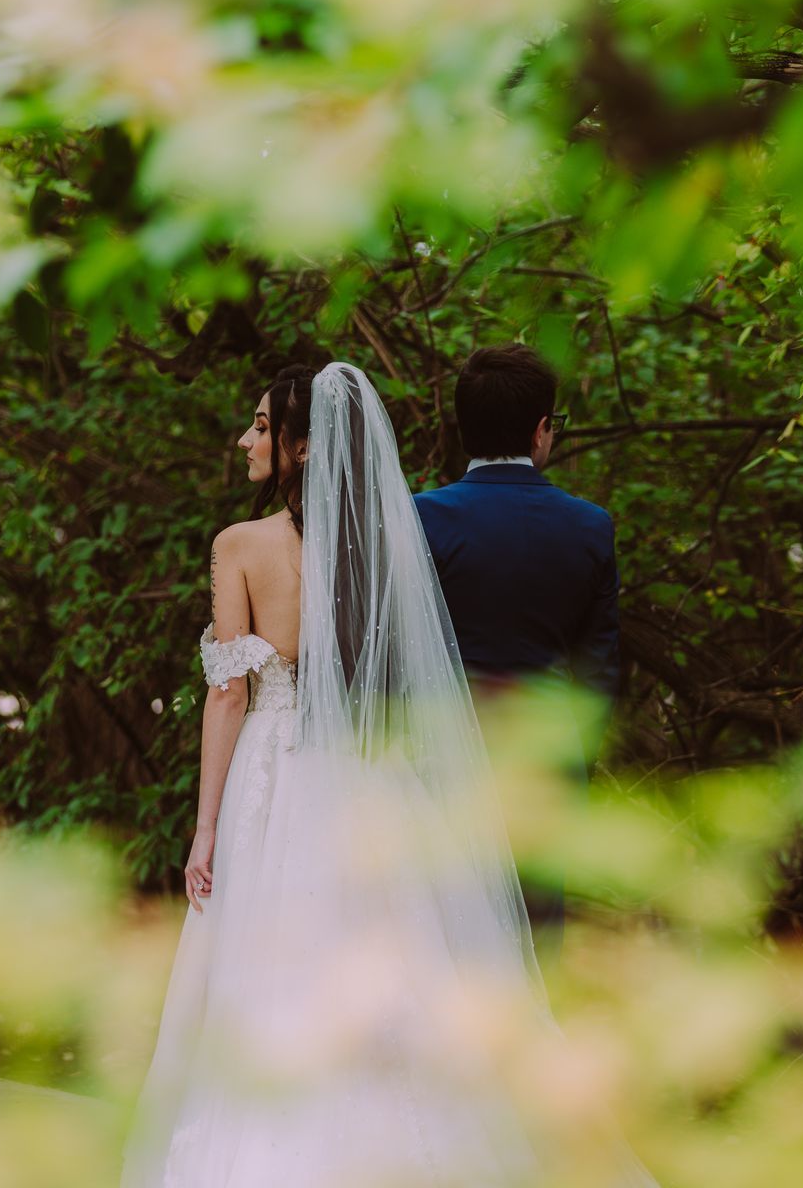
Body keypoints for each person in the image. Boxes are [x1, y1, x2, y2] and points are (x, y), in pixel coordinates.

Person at [120, 362, 562, 1188]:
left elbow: (228, 699)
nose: (245, 440)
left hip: (273, 776)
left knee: (265, 971)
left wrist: (205, 825)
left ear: (299, 447)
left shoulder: (239, 546)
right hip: (367, 781)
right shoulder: (386, 547)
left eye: (259, 427)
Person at [413, 343, 622, 950]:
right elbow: (599, 669)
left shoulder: (422, 518)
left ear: (462, 427)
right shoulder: (589, 525)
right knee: (538, 938)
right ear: (541, 430)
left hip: (441, 755)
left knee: (445, 936)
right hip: (546, 757)